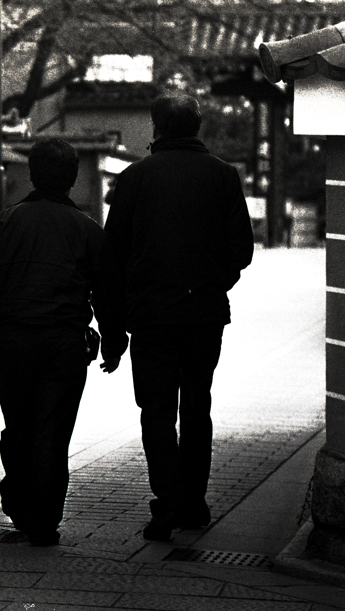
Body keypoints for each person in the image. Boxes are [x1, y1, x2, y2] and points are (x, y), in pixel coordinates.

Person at [0, 139, 127, 546]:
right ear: (73, 179)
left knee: (18, 426)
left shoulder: (2, 225)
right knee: (53, 431)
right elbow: (107, 294)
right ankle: (44, 520)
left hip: (13, 343)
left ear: (31, 174)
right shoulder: (88, 231)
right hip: (65, 344)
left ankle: (18, 502)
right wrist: (114, 342)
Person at [104, 92, 254, 541]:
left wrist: (113, 329)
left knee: (156, 409)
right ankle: (194, 501)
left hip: (151, 314)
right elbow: (241, 251)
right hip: (204, 313)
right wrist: (213, 283)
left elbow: (112, 257)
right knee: (197, 405)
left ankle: (166, 500)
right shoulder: (223, 177)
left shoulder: (135, 178)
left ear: (156, 128)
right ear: (198, 126)